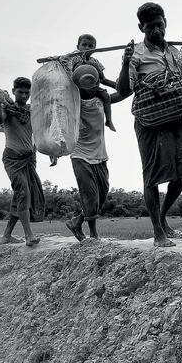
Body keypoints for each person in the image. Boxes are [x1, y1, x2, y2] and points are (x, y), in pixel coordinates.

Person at [117, 2, 182, 247]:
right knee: (151, 176)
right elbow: (123, 89)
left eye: (160, 25)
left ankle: (162, 217)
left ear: (165, 22)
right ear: (141, 27)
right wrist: (125, 63)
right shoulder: (136, 54)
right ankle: (157, 232)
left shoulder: (172, 51)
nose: (157, 30)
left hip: (175, 118)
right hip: (149, 122)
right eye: (151, 27)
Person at [64, 65, 126, 241]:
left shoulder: (102, 98)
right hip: (80, 153)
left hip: (99, 153)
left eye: (96, 82)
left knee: (103, 192)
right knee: (89, 194)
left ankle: (77, 222)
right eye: (88, 83)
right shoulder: (73, 102)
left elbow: (124, 91)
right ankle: (93, 234)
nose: (93, 86)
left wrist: (125, 68)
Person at [0, 77, 46, 246]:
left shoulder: (32, 111)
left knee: (21, 195)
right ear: (14, 91)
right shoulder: (6, 108)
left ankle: (7, 235)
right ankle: (28, 235)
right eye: (20, 92)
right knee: (23, 192)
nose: (23, 95)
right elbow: (0, 120)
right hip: (13, 158)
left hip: (30, 158)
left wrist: (51, 152)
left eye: (26, 92)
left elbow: (38, 132)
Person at [61, 34, 117, 131]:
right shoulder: (73, 59)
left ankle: (108, 120)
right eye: (84, 45)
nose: (87, 48)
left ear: (95, 48)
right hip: (79, 88)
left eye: (91, 46)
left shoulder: (95, 62)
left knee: (106, 96)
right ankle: (77, 120)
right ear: (77, 47)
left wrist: (116, 85)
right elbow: (68, 72)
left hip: (94, 88)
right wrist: (64, 60)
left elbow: (102, 78)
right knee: (75, 100)